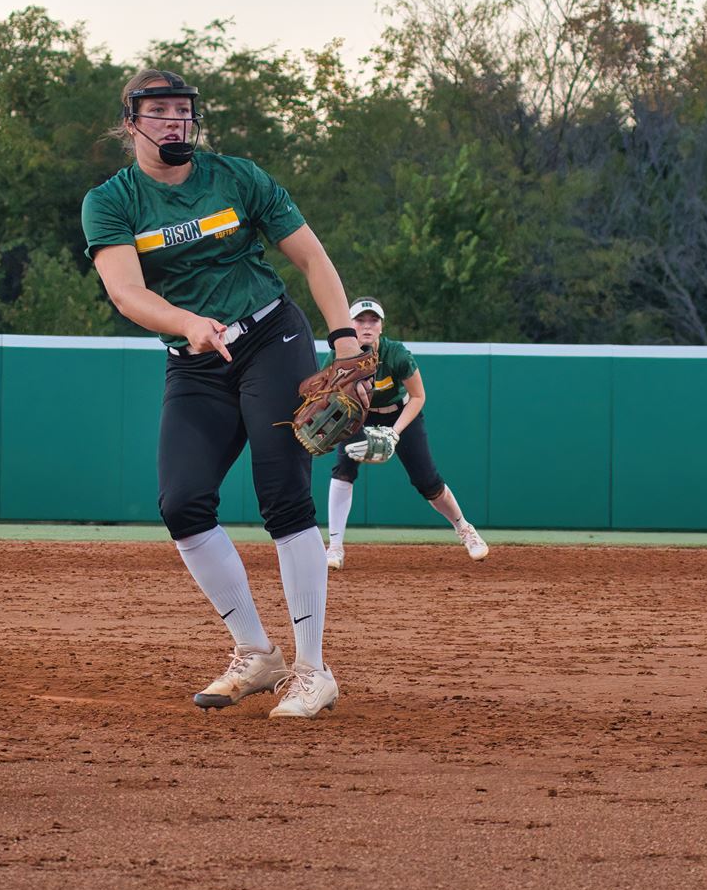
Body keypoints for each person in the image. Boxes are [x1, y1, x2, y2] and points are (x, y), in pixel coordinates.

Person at [83, 67, 368, 719]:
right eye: (158, 111)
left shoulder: (237, 177)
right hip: (196, 360)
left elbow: (313, 258)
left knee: (283, 497)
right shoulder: (112, 201)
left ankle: (312, 670)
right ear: (130, 122)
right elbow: (126, 292)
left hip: (271, 338)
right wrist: (188, 324)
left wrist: (346, 342)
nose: (174, 120)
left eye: (183, 109)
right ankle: (257, 653)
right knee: (182, 503)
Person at [324, 298, 489, 569]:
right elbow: (329, 397)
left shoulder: (395, 353)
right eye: (360, 320)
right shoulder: (339, 354)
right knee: (343, 470)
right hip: (358, 415)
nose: (367, 326)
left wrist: (394, 433)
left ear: (381, 326)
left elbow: (418, 396)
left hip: (399, 414)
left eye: (373, 320)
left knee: (428, 482)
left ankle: (465, 529)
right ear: (350, 325)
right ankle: (335, 547)